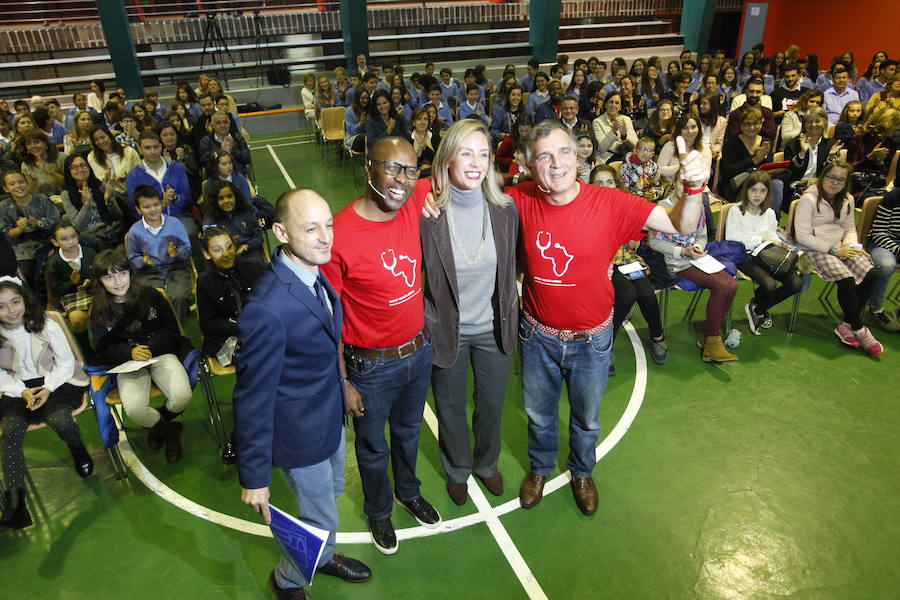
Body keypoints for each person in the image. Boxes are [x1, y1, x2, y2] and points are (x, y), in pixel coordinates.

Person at [506, 120, 712, 514]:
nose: (556, 163)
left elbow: (680, 226)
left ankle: (582, 472)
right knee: (538, 413)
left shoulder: (610, 202)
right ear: (530, 164)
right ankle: (539, 468)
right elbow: (461, 197)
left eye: (563, 151)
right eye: (544, 156)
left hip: (592, 339)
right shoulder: (519, 199)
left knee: (587, 418)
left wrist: (695, 187)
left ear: (578, 155)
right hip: (537, 336)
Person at [235, 189, 372, 598]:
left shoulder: (314, 273)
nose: (325, 236)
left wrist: (343, 385)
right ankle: (289, 579)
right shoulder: (268, 308)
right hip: (298, 435)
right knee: (319, 514)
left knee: (328, 498)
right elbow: (252, 399)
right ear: (280, 232)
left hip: (326, 418)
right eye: (311, 228)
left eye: (328, 225)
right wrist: (255, 477)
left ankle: (323, 554)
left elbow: (328, 346)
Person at [320, 137, 442, 554]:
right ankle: (379, 511)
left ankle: (408, 492)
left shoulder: (414, 199)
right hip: (370, 368)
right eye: (392, 168)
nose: (402, 180)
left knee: (409, 434)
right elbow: (329, 321)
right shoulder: (339, 235)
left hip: (418, 352)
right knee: (373, 448)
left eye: (410, 170)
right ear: (368, 168)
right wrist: (343, 382)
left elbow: (459, 167)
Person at [419, 119, 519, 506]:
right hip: (449, 330)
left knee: (492, 404)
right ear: (446, 159)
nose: (476, 163)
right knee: (450, 408)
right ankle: (458, 467)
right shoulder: (426, 215)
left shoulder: (506, 210)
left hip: (495, 328)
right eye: (466, 153)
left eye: (483, 154)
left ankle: (487, 463)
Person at [0, 276, 92, 533]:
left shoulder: (45, 324)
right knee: (11, 433)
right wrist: (22, 391)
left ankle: (78, 449)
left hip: (55, 381)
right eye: (2, 306)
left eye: (15, 302)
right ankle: (17, 505)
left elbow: (65, 362)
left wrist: (47, 388)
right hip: (17, 388)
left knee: (61, 420)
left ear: (24, 300)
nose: (10, 311)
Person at [90, 250, 193, 460]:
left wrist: (148, 348)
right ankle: (170, 433)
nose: (117, 282)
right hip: (127, 364)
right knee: (135, 410)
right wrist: (130, 352)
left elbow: (172, 330)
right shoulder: (99, 310)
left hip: (160, 353)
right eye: (108, 277)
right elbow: (103, 349)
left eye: (121, 274)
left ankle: (157, 426)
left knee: (183, 396)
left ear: (130, 273)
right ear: (100, 282)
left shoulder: (150, 295)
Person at [793, 160, 883, 356]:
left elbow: (849, 228)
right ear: (823, 176)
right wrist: (834, 251)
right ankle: (859, 329)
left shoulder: (848, 199)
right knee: (847, 279)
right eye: (831, 177)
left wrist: (851, 246)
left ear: (846, 183)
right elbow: (803, 236)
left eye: (840, 180)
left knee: (872, 273)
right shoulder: (808, 199)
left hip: (840, 246)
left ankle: (847, 325)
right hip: (814, 249)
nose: (834, 183)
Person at [649, 177, 739, 362]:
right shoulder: (661, 208)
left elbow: (702, 235)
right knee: (722, 285)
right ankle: (713, 343)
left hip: (695, 258)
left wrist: (697, 247)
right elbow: (654, 242)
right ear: (674, 183)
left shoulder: (697, 206)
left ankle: (709, 337)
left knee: (732, 284)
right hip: (673, 261)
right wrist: (683, 251)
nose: (687, 189)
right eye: (683, 184)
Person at [195, 226, 262, 463]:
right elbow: (209, 323)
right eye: (217, 249)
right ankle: (241, 434)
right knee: (254, 366)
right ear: (206, 254)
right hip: (231, 338)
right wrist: (242, 326)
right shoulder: (205, 282)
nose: (225, 254)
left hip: (262, 331)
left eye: (229, 247)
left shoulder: (254, 267)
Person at [592, 164, 667, 372]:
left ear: (616, 184)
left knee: (646, 293)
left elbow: (638, 232)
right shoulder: (589, 208)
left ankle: (657, 336)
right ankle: (605, 345)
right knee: (626, 294)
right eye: (599, 183)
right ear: (591, 186)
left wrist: (635, 236)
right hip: (602, 261)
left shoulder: (623, 204)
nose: (605, 187)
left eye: (609, 182)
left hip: (625, 258)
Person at [725, 172, 803, 334]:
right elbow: (733, 239)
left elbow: (772, 234)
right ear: (746, 190)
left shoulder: (769, 213)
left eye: (762, 191)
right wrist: (762, 239)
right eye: (753, 190)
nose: (757, 195)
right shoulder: (736, 210)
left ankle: (758, 308)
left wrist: (778, 242)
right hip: (744, 255)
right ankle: (759, 306)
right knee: (769, 284)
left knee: (796, 283)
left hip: (768, 254)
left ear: (768, 193)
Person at [125, 185, 193, 321]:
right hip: (149, 273)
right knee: (151, 300)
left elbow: (186, 248)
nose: (153, 209)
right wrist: (144, 262)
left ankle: (177, 331)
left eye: (156, 204)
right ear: (138, 210)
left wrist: (177, 253)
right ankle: (160, 330)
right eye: (147, 207)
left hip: (176, 268)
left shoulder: (175, 223)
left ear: (161, 203)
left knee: (179, 297)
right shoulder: (134, 232)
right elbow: (132, 259)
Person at [0, 169, 60, 284]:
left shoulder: (42, 200)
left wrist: (39, 223)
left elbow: (56, 222)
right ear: (6, 188)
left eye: (21, 182)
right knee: (25, 273)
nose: (18, 186)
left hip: (47, 243)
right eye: (12, 184)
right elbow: (5, 236)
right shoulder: (3, 207)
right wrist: (18, 229)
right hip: (22, 250)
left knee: (53, 265)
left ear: (27, 183)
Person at [719, 107, 777, 205]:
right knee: (753, 184)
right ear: (741, 126)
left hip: (761, 182)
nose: (751, 128)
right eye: (747, 124)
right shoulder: (732, 142)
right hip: (737, 184)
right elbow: (727, 172)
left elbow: (769, 168)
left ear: (761, 124)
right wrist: (753, 161)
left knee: (777, 184)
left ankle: (771, 217)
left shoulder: (766, 142)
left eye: (755, 123)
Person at [202, 180, 264, 266]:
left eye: (229, 196)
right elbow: (209, 245)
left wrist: (247, 246)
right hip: (224, 257)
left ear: (236, 197)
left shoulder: (247, 212)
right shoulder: (211, 220)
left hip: (249, 254)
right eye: (221, 198)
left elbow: (258, 238)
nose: (226, 201)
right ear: (215, 201)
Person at [866, 187, 900, 332]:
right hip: (883, 243)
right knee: (886, 265)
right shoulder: (893, 197)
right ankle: (876, 310)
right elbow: (879, 234)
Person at [784, 106, 843, 188]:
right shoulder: (793, 144)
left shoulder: (831, 144)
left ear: (825, 122)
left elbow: (832, 175)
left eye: (818, 121)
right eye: (809, 121)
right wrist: (802, 153)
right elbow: (789, 173)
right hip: (797, 187)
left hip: (822, 187)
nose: (813, 125)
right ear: (804, 124)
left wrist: (830, 158)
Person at [87, 124, 141, 197]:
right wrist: (105, 178)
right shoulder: (92, 157)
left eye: (103, 137)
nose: (101, 141)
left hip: (132, 191)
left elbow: (140, 172)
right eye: (96, 140)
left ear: (109, 136)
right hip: (110, 195)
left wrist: (129, 177)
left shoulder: (128, 151)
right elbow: (97, 183)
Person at [198, 111, 251, 175]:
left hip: (238, 175)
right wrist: (221, 151)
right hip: (217, 178)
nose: (222, 125)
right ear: (212, 125)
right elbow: (206, 163)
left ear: (229, 123)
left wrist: (233, 149)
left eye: (225, 122)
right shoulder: (206, 141)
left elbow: (247, 158)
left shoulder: (237, 138)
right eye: (218, 123)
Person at [591, 92, 638, 163]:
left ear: (620, 107)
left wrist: (624, 135)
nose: (613, 105)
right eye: (611, 102)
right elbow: (601, 148)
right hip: (606, 158)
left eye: (617, 103)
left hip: (626, 158)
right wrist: (613, 131)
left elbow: (635, 144)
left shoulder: (626, 119)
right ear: (605, 105)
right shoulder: (597, 122)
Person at [18, 131, 65, 196]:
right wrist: (34, 180)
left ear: (45, 143)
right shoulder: (26, 165)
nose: (33, 146)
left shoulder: (61, 158)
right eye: (29, 144)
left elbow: (70, 183)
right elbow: (31, 194)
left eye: (37, 142)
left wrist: (51, 173)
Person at [405, 105, 440, 177]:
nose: (422, 122)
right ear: (413, 122)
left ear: (428, 122)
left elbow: (438, 161)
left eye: (425, 119)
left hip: (432, 173)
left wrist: (425, 148)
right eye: (419, 119)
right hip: (411, 173)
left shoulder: (435, 137)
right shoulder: (407, 139)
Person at [344, 88, 370, 153]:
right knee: (365, 138)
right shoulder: (349, 110)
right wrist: (361, 123)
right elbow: (351, 131)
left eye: (367, 98)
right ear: (357, 98)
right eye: (363, 98)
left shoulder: (369, 109)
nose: (365, 100)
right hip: (353, 138)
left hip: (368, 136)